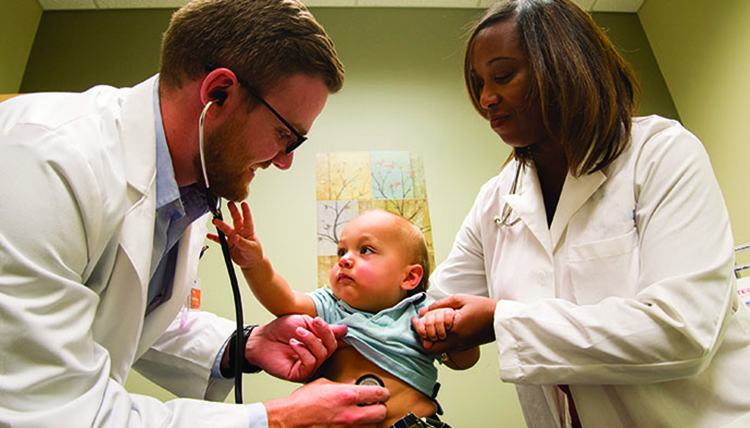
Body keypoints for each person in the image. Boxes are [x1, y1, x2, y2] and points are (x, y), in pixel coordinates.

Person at [0, 1, 391, 427]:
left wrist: (244, 345)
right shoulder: (44, 163)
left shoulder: (188, 197)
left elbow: (124, 316)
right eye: (286, 135)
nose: (284, 161)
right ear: (218, 92)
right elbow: (53, 408)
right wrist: (277, 419)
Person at [411, 1, 750, 427]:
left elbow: (682, 332)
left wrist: (501, 320)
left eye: (502, 76)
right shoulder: (497, 200)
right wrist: (325, 323)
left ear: (564, 65)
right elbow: (434, 311)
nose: (485, 98)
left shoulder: (661, 155)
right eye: (479, 83)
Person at [212, 206, 480, 428]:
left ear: (409, 277)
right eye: (342, 251)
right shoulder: (331, 306)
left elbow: (464, 361)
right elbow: (284, 300)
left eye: (366, 250)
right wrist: (254, 264)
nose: (344, 259)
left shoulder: (424, 311)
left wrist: (449, 328)